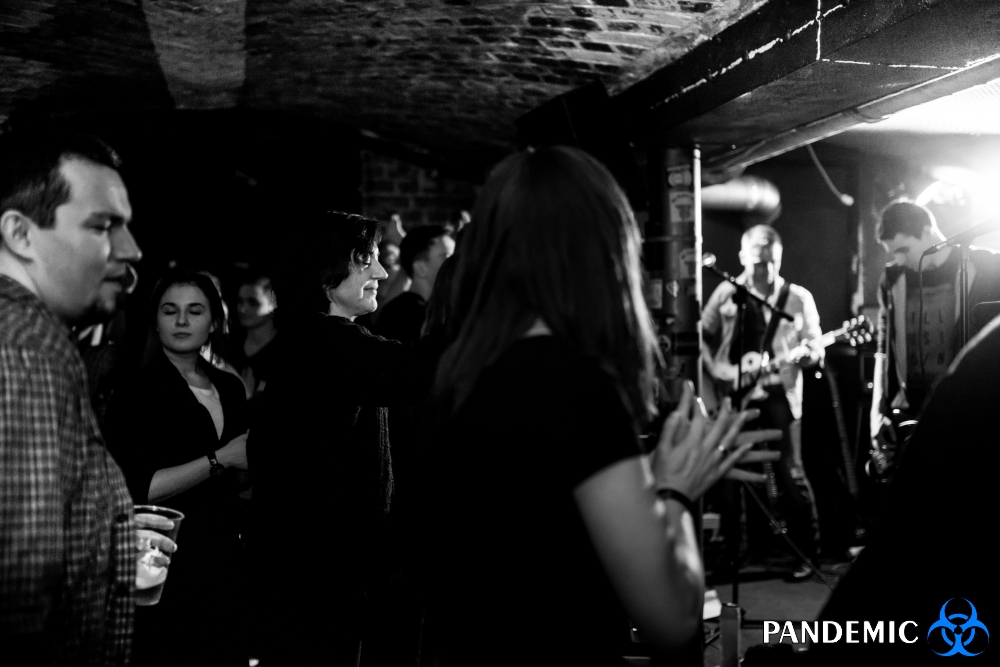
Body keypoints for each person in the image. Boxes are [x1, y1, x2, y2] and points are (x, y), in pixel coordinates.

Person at [421, 146, 762, 666]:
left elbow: (537, 519)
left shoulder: (461, 370)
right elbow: (671, 621)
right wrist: (676, 491)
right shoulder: (575, 385)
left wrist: (647, 475)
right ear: (603, 251)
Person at [0, 128, 175, 664]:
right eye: (102, 226)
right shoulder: (29, 349)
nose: (132, 249)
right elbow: (20, 605)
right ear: (21, 234)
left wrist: (105, 531)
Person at [249, 211, 418, 666]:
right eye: (366, 259)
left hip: (312, 576)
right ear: (326, 273)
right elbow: (424, 373)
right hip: (318, 583)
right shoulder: (327, 343)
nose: (380, 272)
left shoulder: (317, 338)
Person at [103, 268, 250, 667]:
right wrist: (219, 459)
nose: (182, 321)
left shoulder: (229, 386)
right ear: (155, 320)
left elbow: (241, 473)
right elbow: (137, 488)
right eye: (170, 310)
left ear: (214, 321)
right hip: (165, 558)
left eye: (195, 311)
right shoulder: (136, 390)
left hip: (224, 555)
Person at [701, 224, 823, 579]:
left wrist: (809, 355)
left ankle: (808, 554)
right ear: (742, 256)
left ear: (779, 256)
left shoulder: (797, 297)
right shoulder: (727, 292)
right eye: (757, 259)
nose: (764, 266)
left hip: (780, 394)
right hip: (735, 394)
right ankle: (737, 553)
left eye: (771, 259)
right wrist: (717, 370)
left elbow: (816, 346)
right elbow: (700, 334)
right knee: (734, 473)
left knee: (789, 472)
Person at [869, 200, 1000, 477]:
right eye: (894, 253)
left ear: (928, 230)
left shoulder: (987, 266)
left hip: (964, 408)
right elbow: (883, 347)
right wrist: (876, 411)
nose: (900, 260)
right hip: (909, 410)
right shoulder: (892, 279)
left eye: (904, 249)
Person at [375, 224, 455, 346]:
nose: (456, 263)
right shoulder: (403, 315)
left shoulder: (437, 309)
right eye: (446, 257)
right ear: (420, 268)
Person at [231, 270, 279, 403]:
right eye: (240, 301)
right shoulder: (227, 345)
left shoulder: (285, 351)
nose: (243, 309)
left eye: (253, 302)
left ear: (274, 303)